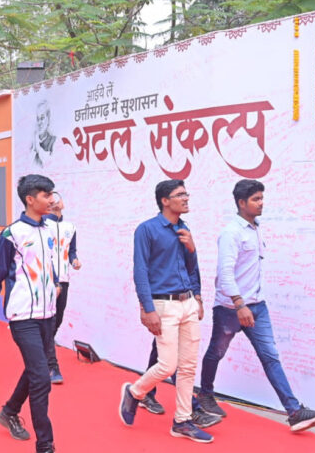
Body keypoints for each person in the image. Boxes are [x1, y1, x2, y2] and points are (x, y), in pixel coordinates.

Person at [197, 179, 315, 432]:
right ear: (241, 203)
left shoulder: (255, 228)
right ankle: (205, 394)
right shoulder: (231, 233)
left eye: (262, 198)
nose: (262, 203)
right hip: (230, 308)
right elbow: (224, 274)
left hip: (257, 306)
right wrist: (239, 304)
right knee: (216, 352)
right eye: (256, 199)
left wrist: (249, 304)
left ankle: (295, 412)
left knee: (270, 357)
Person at [118, 179, 215, 443]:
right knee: (167, 365)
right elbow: (140, 271)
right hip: (163, 305)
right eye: (180, 194)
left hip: (188, 304)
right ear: (165, 201)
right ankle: (135, 392)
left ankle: (182, 421)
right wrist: (146, 308)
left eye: (186, 193)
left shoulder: (184, 229)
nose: (186, 198)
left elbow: (191, 268)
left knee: (187, 368)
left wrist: (198, 297)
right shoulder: (147, 230)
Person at [0, 174, 60, 453]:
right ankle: (45, 445)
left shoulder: (50, 228)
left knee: (35, 368)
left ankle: (10, 411)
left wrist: (55, 288)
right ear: (30, 199)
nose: (52, 199)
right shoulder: (11, 234)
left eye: (52, 194)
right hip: (22, 316)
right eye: (46, 195)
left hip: (47, 315)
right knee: (41, 377)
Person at [43, 192, 80, 384]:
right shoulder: (42, 225)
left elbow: (71, 250)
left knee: (58, 319)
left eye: (58, 197)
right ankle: (52, 365)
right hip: (47, 280)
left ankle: (42, 349)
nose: (56, 201)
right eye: (52, 199)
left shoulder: (70, 227)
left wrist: (74, 260)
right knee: (49, 321)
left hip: (64, 279)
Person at [31, 101, 56, 168]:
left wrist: (37, 147)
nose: (39, 123)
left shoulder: (53, 141)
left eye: (42, 118)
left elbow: (49, 164)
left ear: (48, 119)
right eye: (37, 119)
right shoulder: (32, 143)